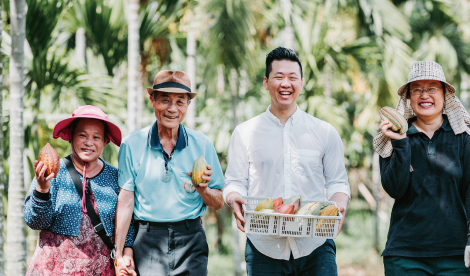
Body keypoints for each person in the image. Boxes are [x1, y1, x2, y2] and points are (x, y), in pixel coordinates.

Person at [223, 47, 351, 276]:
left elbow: (338, 182)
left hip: (316, 245)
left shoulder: (325, 132)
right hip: (264, 247)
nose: (286, 83)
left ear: (301, 83)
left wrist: (339, 204)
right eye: (278, 77)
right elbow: (234, 181)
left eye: (292, 77)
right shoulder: (245, 132)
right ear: (266, 82)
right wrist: (233, 198)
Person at [373, 61, 470, 275]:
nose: (424, 95)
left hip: (456, 257)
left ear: (445, 94)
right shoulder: (392, 137)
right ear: (409, 97)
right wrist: (400, 142)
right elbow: (394, 189)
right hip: (404, 257)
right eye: (417, 89)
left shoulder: (465, 137)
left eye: (432, 88)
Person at [114, 70, 225, 276]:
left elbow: (218, 201)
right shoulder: (132, 144)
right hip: (148, 239)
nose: (172, 109)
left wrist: (204, 190)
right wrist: (118, 253)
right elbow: (126, 201)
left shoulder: (203, 145)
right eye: (165, 100)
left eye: (180, 102)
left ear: (188, 105)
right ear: (152, 100)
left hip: (190, 237)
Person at [24, 105, 135, 276]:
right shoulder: (54, 173)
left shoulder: (116, 178)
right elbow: (35, 222)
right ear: (71, 137)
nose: (88, 142)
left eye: (96, 137)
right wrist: (42, 189)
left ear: (105, 141)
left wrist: (127, 254)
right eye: (82, 135)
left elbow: (127, 224)